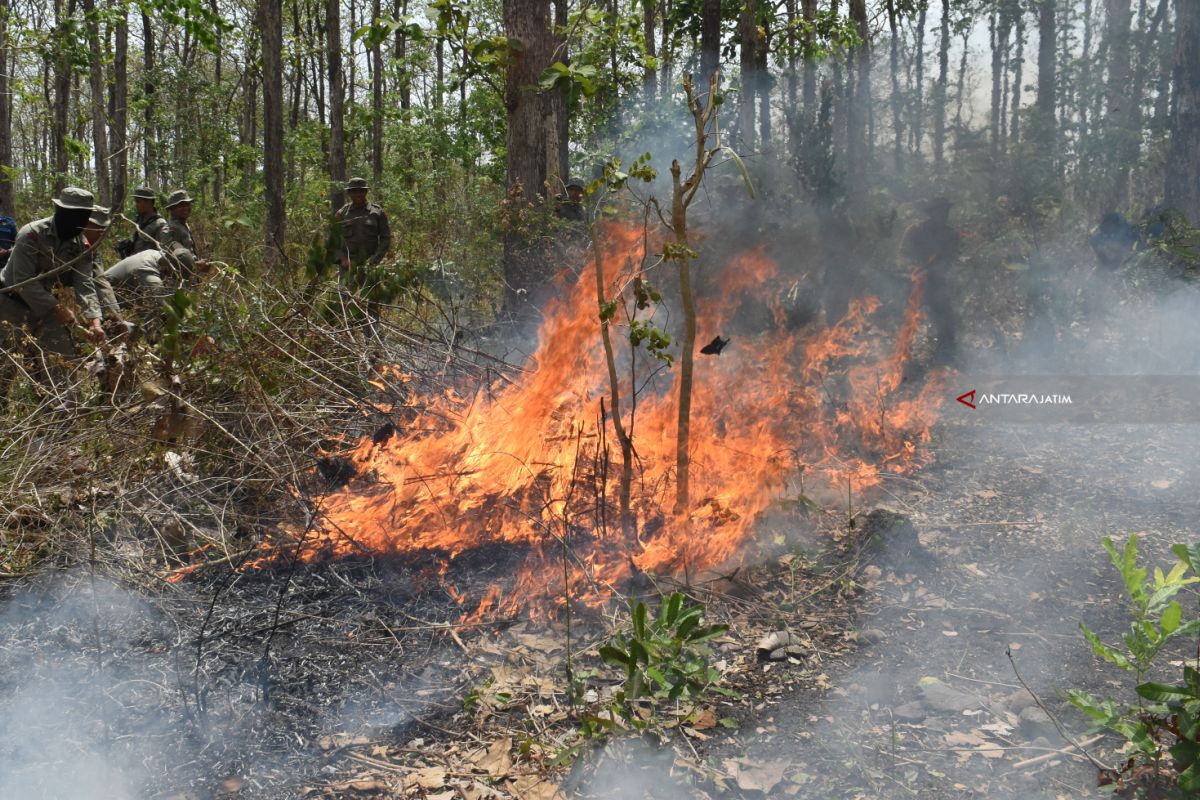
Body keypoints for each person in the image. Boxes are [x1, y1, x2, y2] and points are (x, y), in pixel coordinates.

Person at [0, 187, 107, 371]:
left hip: (46, 308)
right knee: (7, 366)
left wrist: (94, 321)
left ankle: (62, 397)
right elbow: (22, 280)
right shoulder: (31, 234)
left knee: (62, 359)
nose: (79, 222)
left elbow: (84, 282)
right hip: (11, 303)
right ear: (61, 211)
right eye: (75, 216)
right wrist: (57, 307)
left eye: (84, 216)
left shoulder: (81, 245)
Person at [899, 196, 961, 367]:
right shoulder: (915, 231)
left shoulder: (951, 234)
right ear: (932, 213)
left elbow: (950, 259)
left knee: (946, 321)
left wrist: (936, 270)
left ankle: (946, 360)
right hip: (915, 283)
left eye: (946, 211)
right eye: (941, 211)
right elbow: (904, 255)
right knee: (909, 321)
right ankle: (904, 360)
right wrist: (916, 269)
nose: (945, 214)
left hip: (937, 284)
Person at [334, 177, 391, 278]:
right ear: (349, 193)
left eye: (361, 191)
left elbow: (385, 239)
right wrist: (342, 259)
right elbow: (332, 238)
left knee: (369, 293)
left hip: (370, 265)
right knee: (345, 293)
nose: (357, 194)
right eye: (354, 191)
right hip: (347, 265)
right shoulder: (342, 213)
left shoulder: (377, 212)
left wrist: (374, 261)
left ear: (366, 192)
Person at [115, 187, 170, 258]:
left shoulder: (160, 224)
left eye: (138, 201)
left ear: (148, 202)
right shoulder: (138, 220)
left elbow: (163, 250)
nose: (136, 205)